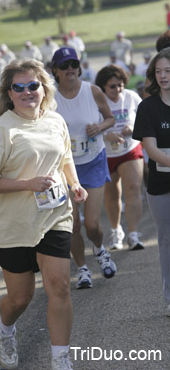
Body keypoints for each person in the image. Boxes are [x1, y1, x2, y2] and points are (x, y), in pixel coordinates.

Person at [0, 58, 88, 370]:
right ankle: (5, 330)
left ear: (43, 88)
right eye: (19, 87)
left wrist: (75, 184)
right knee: (20, 299)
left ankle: (60, 358)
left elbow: (65, 156)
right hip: (12, 226)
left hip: (55, 215)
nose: (27, 92)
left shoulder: (55, 121)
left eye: (33, 85)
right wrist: (27, 184)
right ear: (9, 93)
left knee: (60, 285)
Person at [51, 47, 116, 290]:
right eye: (64, 65)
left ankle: (99, 249)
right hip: (65, 168)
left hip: (93, 161)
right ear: (55, 71)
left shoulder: (93, 91)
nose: (70, 69)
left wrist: (99, 128)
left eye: (73, 65)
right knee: (73, 225)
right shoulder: (50, 98)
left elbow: (110, 118)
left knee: (91, 224)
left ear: (79, 67)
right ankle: (82, 268)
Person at [132, 47, 170, 317]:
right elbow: (151, 149)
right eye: (158, 72)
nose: (162, 76)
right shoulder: (147, 107)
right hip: (161, 186)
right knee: (166, 241)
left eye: (168, 71)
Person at [95, 64, 144, 251]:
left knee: (133, 188)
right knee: (112, 194)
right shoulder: (97, 100)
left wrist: (133, 128)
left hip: (130, 149)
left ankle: (133, 234)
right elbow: (88, 126)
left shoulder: (131, 97)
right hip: (106, 152)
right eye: (112, 86)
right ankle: (116, 231)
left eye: (120, 84)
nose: (117, 89)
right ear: (103, 87)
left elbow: (145, 117)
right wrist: (106, 135)